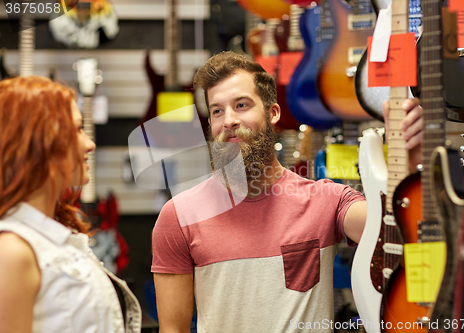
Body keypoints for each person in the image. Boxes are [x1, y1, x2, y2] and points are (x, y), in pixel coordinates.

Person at [151, 51, 423, 332]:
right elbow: (173, 329)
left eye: (241, 105)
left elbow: (397, 230)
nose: (228, 120)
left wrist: (411, 161)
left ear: (273, 113)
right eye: (217, 110)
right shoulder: (178, 216)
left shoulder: (326, 201)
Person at [0, 76, 141, 333]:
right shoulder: (13, 250)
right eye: (77, 129)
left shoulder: (53, 234)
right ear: (39, 141)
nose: (90, 143)